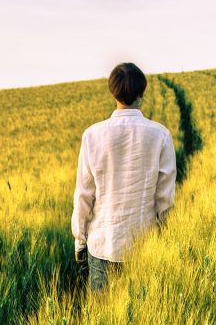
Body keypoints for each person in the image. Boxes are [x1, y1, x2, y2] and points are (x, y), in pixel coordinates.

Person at [72, 62, 177, 291]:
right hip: (144, 244)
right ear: (142, 93)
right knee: (144, 317)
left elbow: (84, 194)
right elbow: (165, 198)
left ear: (113, 92)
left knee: (101, 319)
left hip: (102, 243)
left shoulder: (92, 135)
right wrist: (166, 237)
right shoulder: (160, 135)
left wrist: (80, 239)